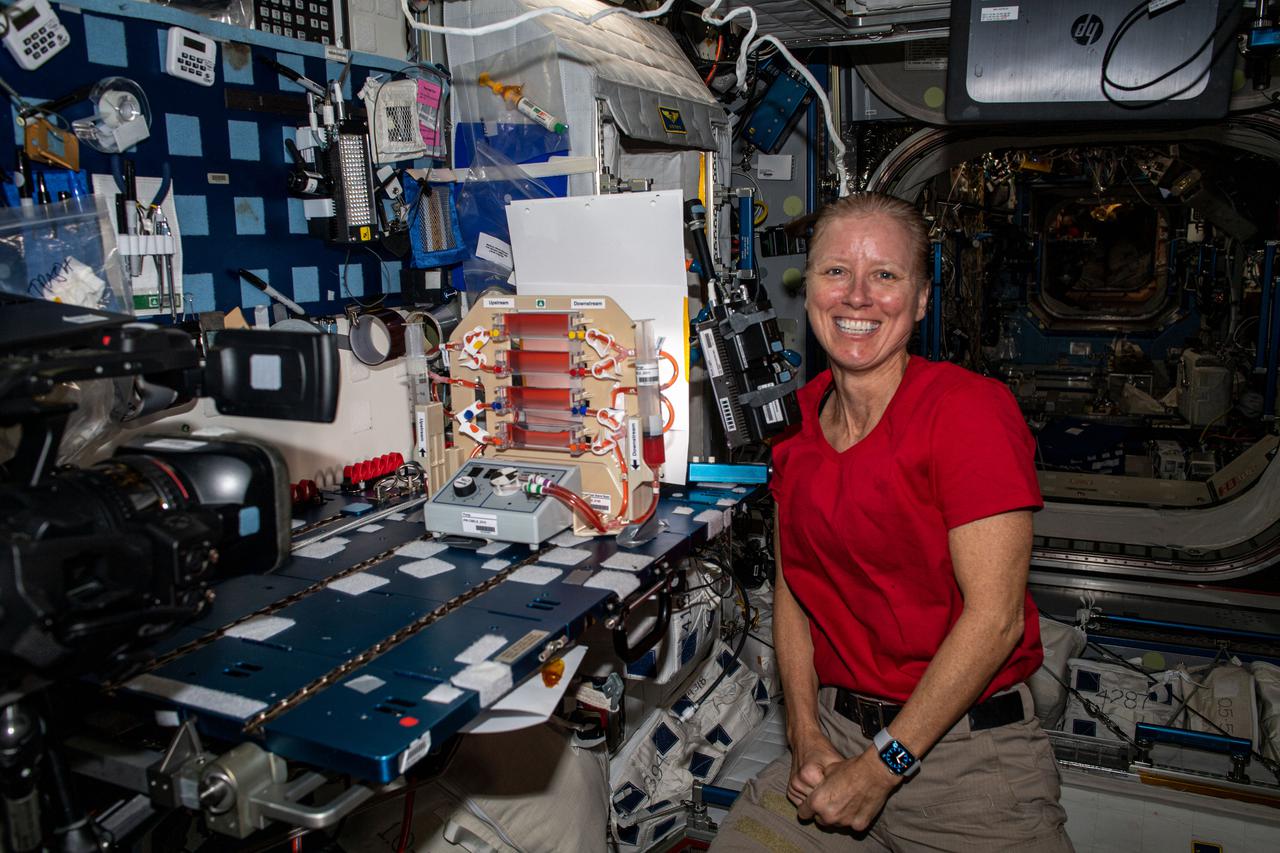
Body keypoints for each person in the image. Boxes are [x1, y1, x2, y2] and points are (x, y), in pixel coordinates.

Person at [712, 193, 1072, 851]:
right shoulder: (794, 422)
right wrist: (804, 732)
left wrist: (884, 767)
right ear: (808, 288)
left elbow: (995, 620)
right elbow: (795, 585)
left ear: (923, 298)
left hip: (966, 757)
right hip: (836, 732)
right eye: (834, 272)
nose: (856, 296)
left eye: (885, 274)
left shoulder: (967, 413)